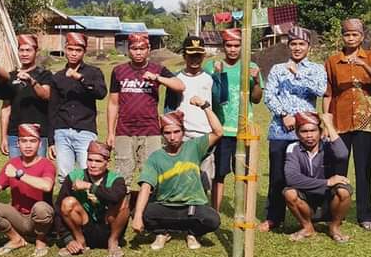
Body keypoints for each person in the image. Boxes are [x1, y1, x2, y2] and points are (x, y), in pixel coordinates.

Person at [131, 99, 224, 251]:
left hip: (191, 206)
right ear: (162, 135)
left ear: (183, 132)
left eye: (176, 132)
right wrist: (137, 216)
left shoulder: (194, 146)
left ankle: (192, 233)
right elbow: (146, 187)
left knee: (212, 219)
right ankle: (162, 233)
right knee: (139, 212)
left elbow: (218, 132)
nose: (172, 137)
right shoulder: (156, 157)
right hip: (165, 205)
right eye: (167, 133)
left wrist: (205, 106)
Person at [262, 27, 327, 232]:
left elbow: (321, 90)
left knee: (311, 172)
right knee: (278, 175)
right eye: (294, 44)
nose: (297, 48)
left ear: (309, 46)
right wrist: (284, 114)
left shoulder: (317, 69)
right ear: (288, 46)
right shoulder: (277, 69)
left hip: (308, 132)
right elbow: (269, 96)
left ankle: (312, 214)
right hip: (281, 130)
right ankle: (274, 217)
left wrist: (298, 75)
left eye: (301, 44)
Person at [323, 18, 371, 231]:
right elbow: (328, 93)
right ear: (342, 36)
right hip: (339, 123)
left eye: (354, 34)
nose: (350, 38)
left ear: (362, 36)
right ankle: (334, 212)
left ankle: (365, 215)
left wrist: (363, 64)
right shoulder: (332, 61)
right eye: (347, 34)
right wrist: (325, 120)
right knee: (338, 168)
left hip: (365, 123)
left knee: (363, 169)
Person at [108, 32, 185, 192]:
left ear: (148, 49)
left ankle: (149, 212)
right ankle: (122, 211)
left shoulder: (158, 69)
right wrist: (110, 132)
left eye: (142, 48)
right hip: (124, 130)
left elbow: (180, 85)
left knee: (151, 174)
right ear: (128, 50)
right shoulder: (118, 71)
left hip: (151, 131)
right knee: (122, 174)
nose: (138, 52)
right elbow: (113, 103)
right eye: (134, 48)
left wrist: (157, 78)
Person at [203, 28, 263, 212]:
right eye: (229, 45)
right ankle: (215, 211)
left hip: (244, 129)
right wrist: (218, 76)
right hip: (222, 129)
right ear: (223, 46)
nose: (233, 49)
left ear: (242, 47)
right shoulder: (212, 66)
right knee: (219, 174)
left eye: (237, 45)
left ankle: (243, 210)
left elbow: (256, 99)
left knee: (244, 172)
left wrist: (257, 81)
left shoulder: (250, 66)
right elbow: (218, 98)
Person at [0, 123, 57, 257]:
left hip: (38, 218)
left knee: (41, 208)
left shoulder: (46, 164)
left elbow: (47, 186)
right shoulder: (12, 164)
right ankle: (16, 239)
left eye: (32, 141)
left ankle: (40, 240)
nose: (28, 145)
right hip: (18, 217)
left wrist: (19, 174)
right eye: (24, 141)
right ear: (18, 143)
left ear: (39, 144)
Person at [282, 112, 353, 243]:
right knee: (289, 193)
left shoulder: (328, 145)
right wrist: (327, 182)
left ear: (320, 132)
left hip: (329, 201)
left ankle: (335, 227)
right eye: (304, 131)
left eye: (313, 130)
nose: (309, 135)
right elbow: (291, 178)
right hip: (306, 201)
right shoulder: (293, 148)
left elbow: (343, 154)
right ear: (297, 134)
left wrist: (329, 125)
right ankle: (307, 227)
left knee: (344, 191)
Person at [47, 32, 107, 182]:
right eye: (70, 49)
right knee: (64, 176)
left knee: (88, 173)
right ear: (65, 49)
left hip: (85, 130)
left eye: (78, 50)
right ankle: (66, 204)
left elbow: (101, 93)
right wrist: (51, 141)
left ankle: (85, 205)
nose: (73, 54)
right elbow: (53, 108)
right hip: (62, 131)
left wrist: (81, 78)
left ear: (84, 51)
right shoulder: (58, 77)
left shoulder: (94, 72)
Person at [57, 141, 129, 257]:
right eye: (90, 160)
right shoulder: (74, 177)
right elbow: (58, 208)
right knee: (67, 202)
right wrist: (67, 238)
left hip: (108, 226)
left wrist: (90, 187)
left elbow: (116, 196)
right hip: (84, 226)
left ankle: (113, 242)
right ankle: (80, 242)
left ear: (107, 163)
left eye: (98, 161)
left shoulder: (117, 180)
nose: (93, 165)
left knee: (123, 202)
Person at [164, 35, 216, 202]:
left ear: (203, 56)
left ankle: (200, 213)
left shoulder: (210, 78)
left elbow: (219, 104)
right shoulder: (176, 78)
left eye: (198, 55)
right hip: (183, 135)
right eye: (191, 55)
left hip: (204, 135)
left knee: (204, 177)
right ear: (184, 55)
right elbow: (169, 108)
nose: (195, 59)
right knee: (181, 176)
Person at [0, 34, 53, 157]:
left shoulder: (45, 75)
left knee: (37, 171)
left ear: (36, 52)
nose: (24, 54)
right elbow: (6, 108)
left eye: (28, 50)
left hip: (38, 133)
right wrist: (4, 137)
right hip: (14, 134)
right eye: (21, 50)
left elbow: (46, 95)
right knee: (15, 173)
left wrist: (31, 81)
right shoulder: (11, 77)